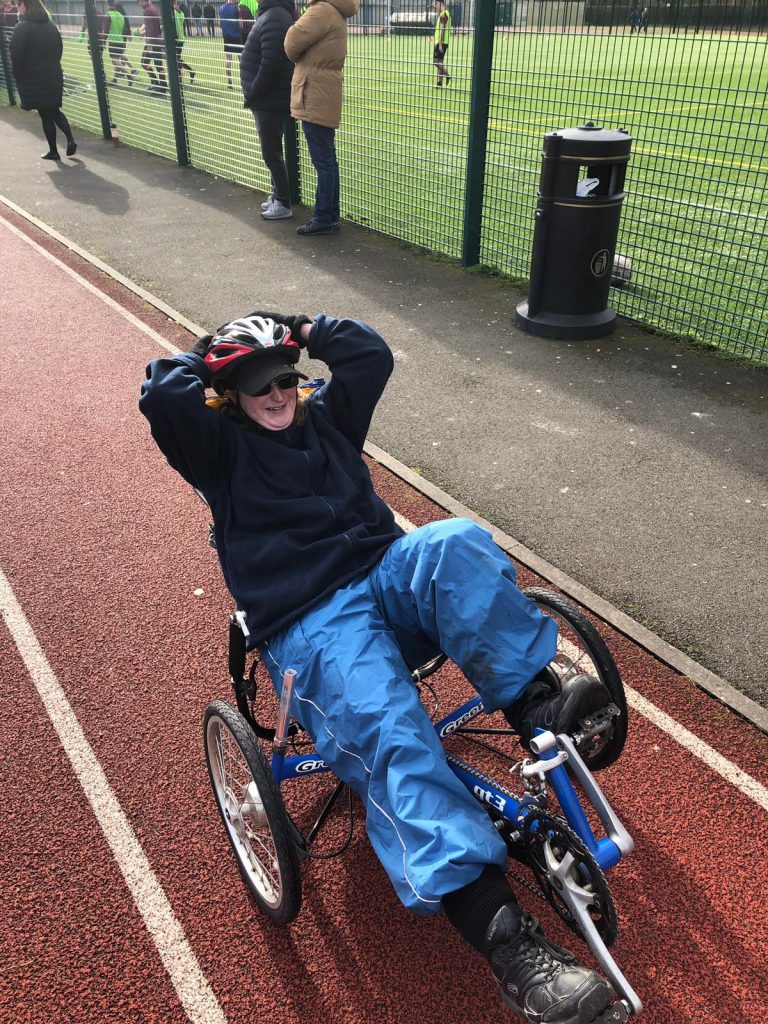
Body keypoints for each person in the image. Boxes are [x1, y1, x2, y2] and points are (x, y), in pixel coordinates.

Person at [139, 312, 622, 1024]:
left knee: (453, 542)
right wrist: (214, 355)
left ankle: (538, 710)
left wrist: (299, 329)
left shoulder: (327, 419)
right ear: (228, 394)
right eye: (256, 384)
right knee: (391, 731)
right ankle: (514, 953)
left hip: (383, 577)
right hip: (311, 622)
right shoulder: (217, 453)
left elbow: (366, 354)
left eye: (283, 379)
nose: (276, 393)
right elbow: (162, 395)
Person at [284, 0, 356, 235]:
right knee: (327, 159)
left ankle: (324, 216)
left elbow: (291, 42)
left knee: (323, 160)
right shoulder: (335, 10)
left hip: (314, 91)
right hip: (324, 91)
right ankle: (330, 215)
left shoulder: (321, 10)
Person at [240, 0, 294, 220]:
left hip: (269, 100)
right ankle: (278, 195)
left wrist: (254, 91)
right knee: (271, 152)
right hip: (266, 99)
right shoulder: (272, 14)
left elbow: (272, 62)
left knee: (271, 153)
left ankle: (282, 202)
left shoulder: (276, 16)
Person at [10, 0, 77, 160]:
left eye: (19, 4)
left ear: (25, 6)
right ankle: (70, 139)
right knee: (54, 110)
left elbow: (16, 55)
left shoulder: (22, 27)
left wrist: (18, 75)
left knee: (45, 114)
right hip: (53, 73)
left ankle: (53, 151)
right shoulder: (51, 26)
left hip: (33, 78)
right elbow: (59, 49)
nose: (17, 7)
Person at [137, 0, 167, 95]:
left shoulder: (147, 11)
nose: (138, 3)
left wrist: (149, 43)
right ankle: (159, 85)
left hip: (153, 42)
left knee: (146, 63)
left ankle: (160, 87)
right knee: (153, 64)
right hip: (156, 40)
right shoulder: (152, 8)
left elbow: (151, 29)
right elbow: (153, 27)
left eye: (138, 1)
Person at [106, 0, 137, 84]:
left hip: (115, 41)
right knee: (119, 59)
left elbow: (106, 30)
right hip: (121, 40)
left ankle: (129, 74)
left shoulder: (110, 15)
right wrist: (129, 34)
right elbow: (126, 25)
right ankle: (115, 79)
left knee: (115, 60)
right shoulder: (121, 15)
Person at [218, 0, 242, 87]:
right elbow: (240, 23)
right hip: (236, 36)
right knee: (241, 59)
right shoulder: (236, 8)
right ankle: (242, 80)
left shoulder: (221, 8)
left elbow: (220, 24)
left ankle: (229, 81)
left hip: (227, 36)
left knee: (228, 59)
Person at [173, 0, 196, 81]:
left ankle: (181, 76)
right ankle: (190, 72)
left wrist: (176, 9)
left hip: (179, 39)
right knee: (177, 59)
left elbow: (180, 19)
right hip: (177, 39)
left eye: (176, 5)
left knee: (176, 59)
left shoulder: (178, 13)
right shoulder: (176, 13)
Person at [433, 0, 450, 86]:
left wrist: (439, 43)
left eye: (436, 3)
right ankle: (439, 82)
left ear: (441, 3)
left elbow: (443, 29)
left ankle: (447, 75)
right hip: (444, 42)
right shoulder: (445, 13)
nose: (435, 5)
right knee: (440, 62)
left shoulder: (444, 14)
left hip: (441, 42)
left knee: (435, 62)